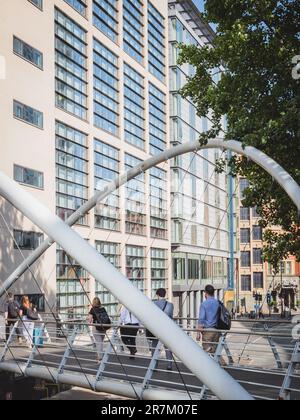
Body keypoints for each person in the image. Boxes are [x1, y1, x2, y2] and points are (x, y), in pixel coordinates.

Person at [148, 288, 174, 371]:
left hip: (157, 329)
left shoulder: (153, 304)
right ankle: (169, 364)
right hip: (167, 328)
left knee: (155, 347)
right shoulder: (170, 305)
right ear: (165, 294)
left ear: (158, 295)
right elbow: (170, 317)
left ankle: (155, 365)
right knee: (168, 347)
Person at [197, 285, 224, 363]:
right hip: (217, 331)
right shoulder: (218, 303)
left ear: (205, 293)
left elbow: (201, 319)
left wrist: (198, 333)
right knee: (214, 350)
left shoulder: (204, 304)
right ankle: (219, 366)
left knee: (206, 351)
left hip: (207, 331)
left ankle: (210, 369)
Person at [88, 297, 110, 363]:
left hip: (96, 327)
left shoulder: (92, 309)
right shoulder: (103, 308)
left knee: (99, 343)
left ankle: (100, 358)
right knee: (100, 342)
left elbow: (89, 320)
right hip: (103, 327)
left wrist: (88, 318)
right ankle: (99, 356)